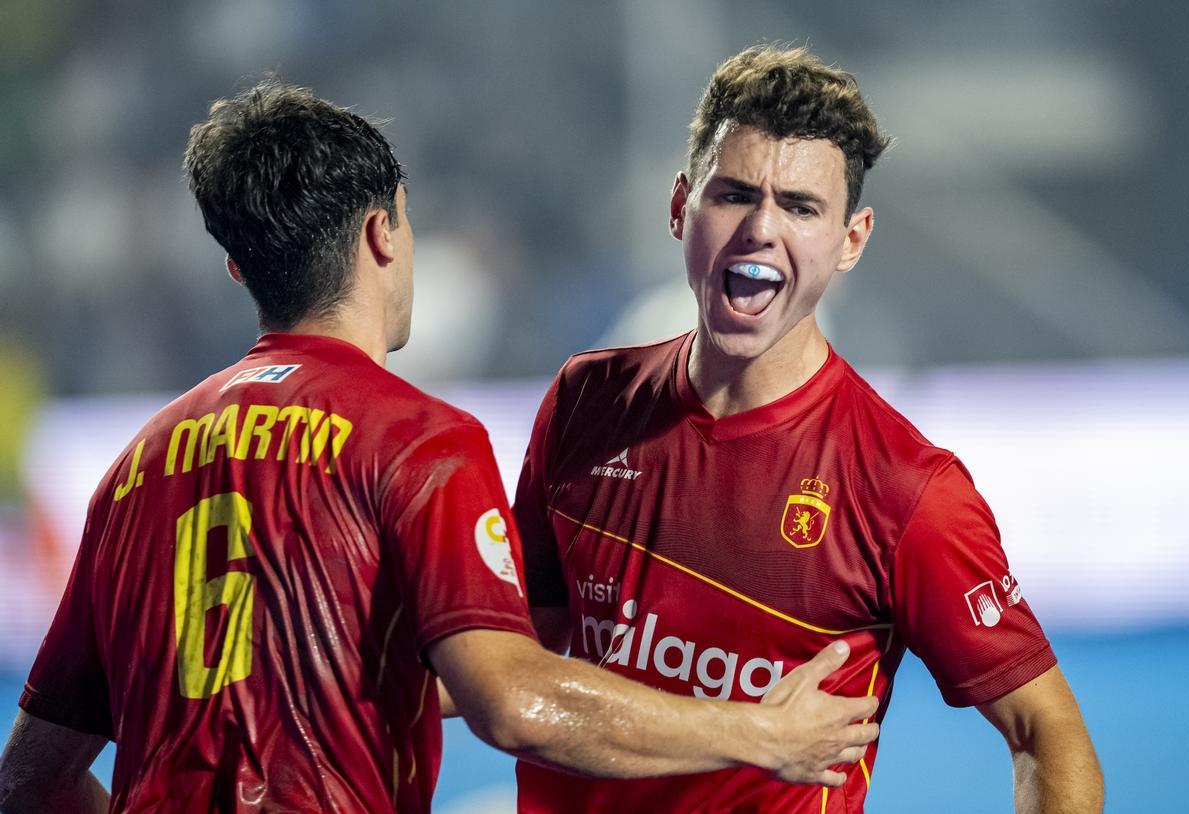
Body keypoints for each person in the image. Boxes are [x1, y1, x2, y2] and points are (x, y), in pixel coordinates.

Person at [0, 80, 882, 813]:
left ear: (241, 267)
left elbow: (30, 780)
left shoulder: (137, 468)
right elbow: (515, 702)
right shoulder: (417, 442)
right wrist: (758, 732)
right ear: (385, 233)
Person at [513, 45, 1104, 813]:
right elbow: (502, 670)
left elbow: (1047, 734)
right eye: (733, 195)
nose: (761, 229)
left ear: (852, 239)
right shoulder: (585, 400)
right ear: (678, 205)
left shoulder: (907, 488)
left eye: (799, 206)